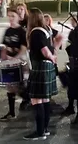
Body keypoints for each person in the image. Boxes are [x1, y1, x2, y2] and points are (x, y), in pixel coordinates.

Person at [23, 8, 58, 141]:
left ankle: (39, 132)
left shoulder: (36, 32)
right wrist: (53, 57)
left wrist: (51, 57)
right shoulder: (46, 30)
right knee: (45, 100)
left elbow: (44, 50)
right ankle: (45, 129)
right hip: (47, 67)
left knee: (36, 100)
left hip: (40, 67)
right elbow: (54, 43)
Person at [0, 9, 28, 122]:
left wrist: (15, 59)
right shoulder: (8, 31)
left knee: (20, 88)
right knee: (10, 87)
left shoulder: (22, 31)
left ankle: (35, 103)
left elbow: (24, 48)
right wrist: (3, 59)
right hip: (9, 62)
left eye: (13, 16)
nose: (10, 18)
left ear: (18, 18)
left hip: (19, 62)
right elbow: (4, 46)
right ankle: (11, 113)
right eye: (9, 16)